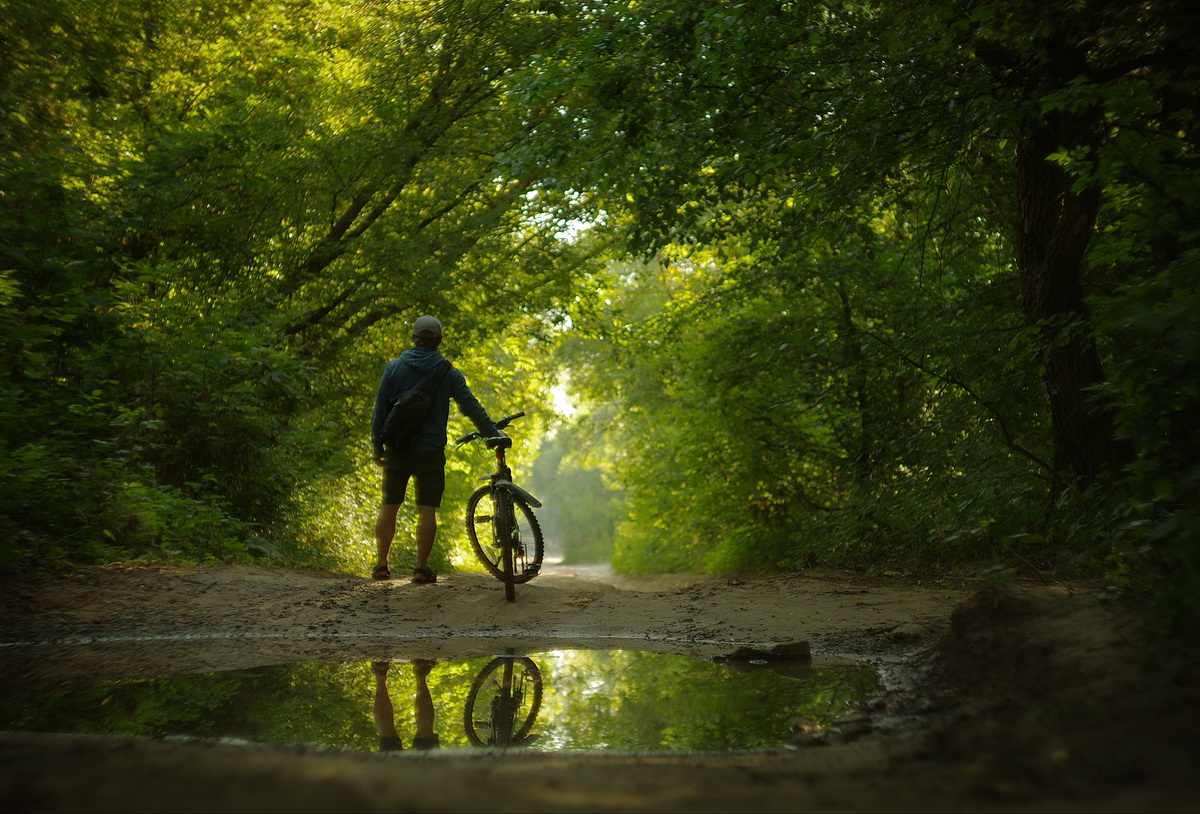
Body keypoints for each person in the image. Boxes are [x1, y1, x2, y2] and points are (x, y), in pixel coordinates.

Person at [370, 315, 500, 583]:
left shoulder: (393, 368)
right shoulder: (448, 372)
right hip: (429, 452)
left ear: (414, 338)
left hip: (397, 447)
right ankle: (420, 569)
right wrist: (491, 433)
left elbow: (380, 409)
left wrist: (376, 444)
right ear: (439, 340)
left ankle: (382, 565)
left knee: (390, 505)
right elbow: (470, 406)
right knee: (427, 510)